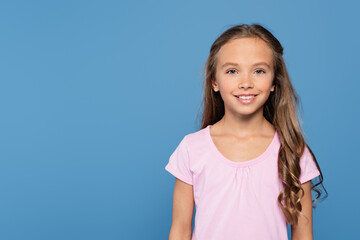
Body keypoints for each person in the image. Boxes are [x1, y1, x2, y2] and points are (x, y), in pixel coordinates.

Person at [165, 23, 327, 240]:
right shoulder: (191, 148)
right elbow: (180, 231)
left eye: (259, 71)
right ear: (214, 81)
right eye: (232, 71)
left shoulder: (292, 150)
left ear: (273, 82)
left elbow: (303, 234)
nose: (246, 83)